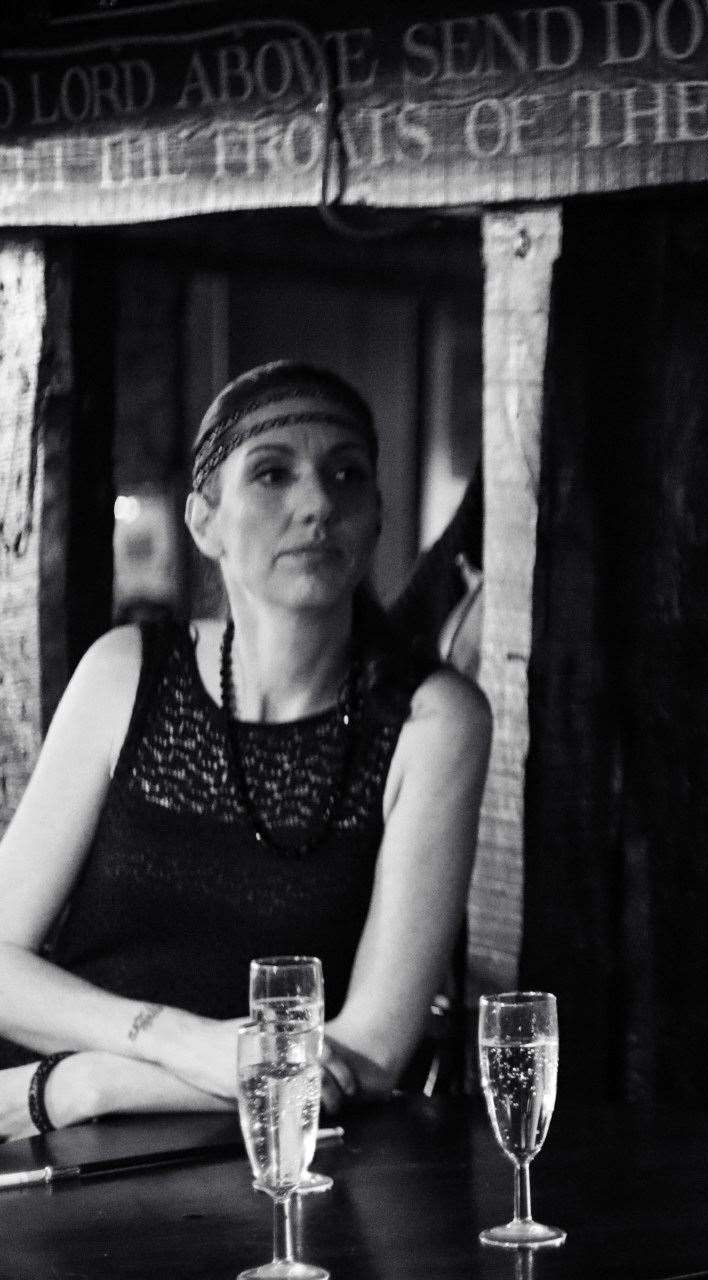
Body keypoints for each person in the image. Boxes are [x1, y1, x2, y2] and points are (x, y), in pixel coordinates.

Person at [0, 360, 490, 1138]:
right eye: (271, 473)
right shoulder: (127, 670)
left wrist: (94, 1084)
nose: (317, 503)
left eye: (345, 474)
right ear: (204, 522)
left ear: (377, 515)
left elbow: (368, 1054)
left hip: (277, 1157)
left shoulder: (432, 720)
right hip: (60, 1146)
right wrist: (177, 1041)